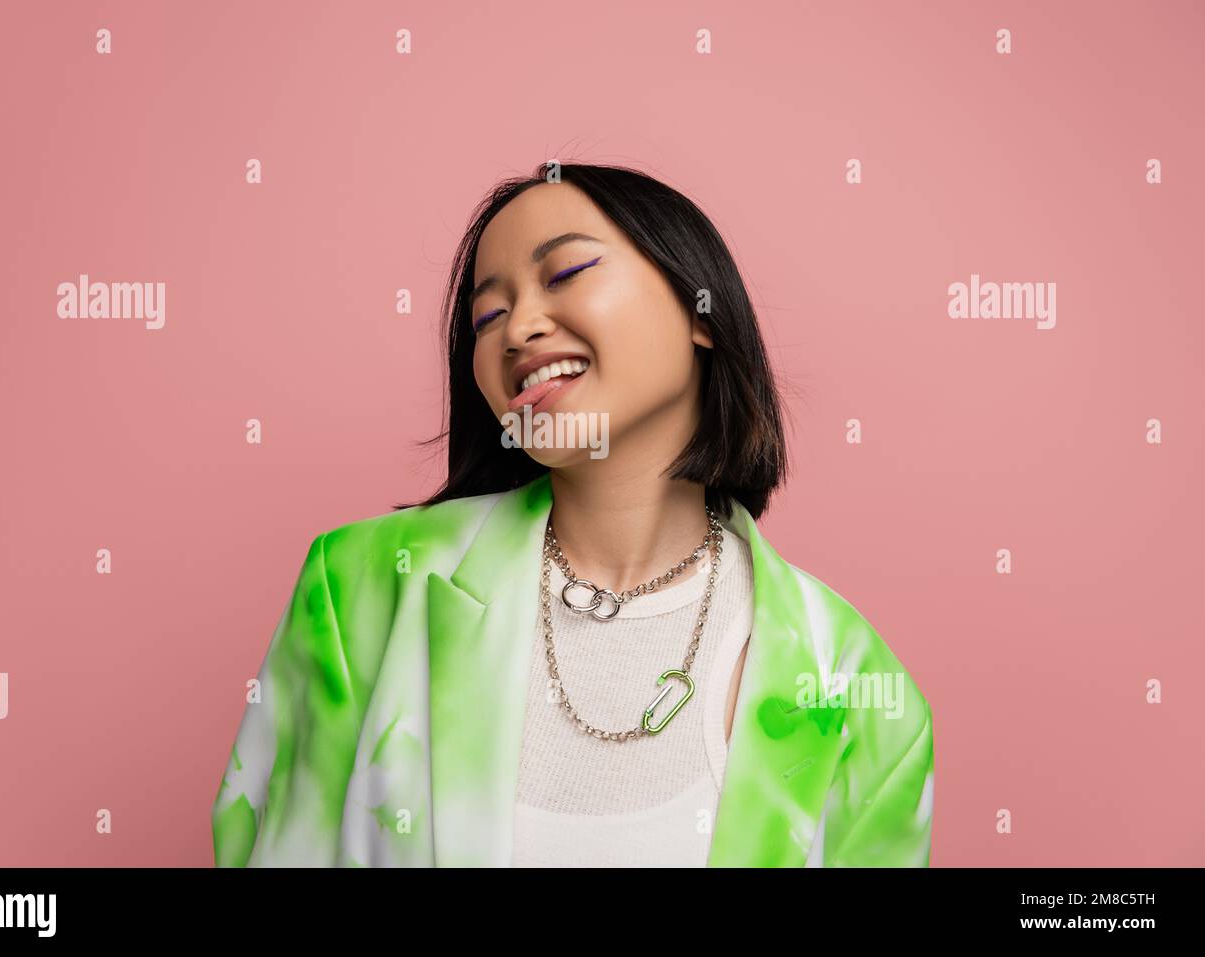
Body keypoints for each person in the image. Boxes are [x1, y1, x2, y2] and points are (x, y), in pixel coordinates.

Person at [211, 162, 934, 867]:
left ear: (700, 311)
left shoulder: (855, 683)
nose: (518, 329)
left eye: (565, 274)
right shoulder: (362, 590)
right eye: (487, 316)